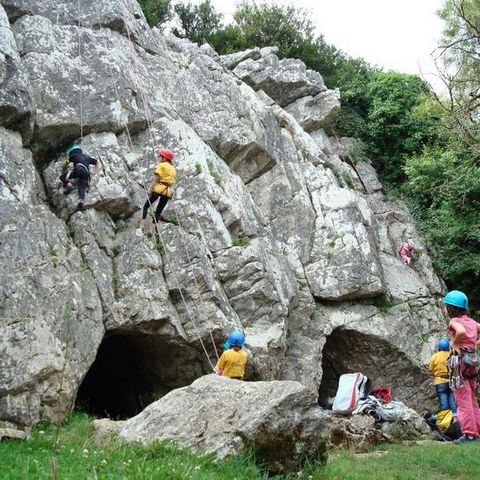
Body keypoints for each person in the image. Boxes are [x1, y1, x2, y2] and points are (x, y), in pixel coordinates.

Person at [444, 290, 480, 443]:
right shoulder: (473, 322)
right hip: (472, 361)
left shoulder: (454, 322)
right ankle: (476, 430)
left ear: (452, 308)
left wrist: (455, 342)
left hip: (461, 362)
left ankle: (469, 434)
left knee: (462, 399)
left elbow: (461, 331)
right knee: (471, 398)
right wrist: (476, 345)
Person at [140, 148, 176, 233]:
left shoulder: (161, 165)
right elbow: (172, 182)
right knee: (159, 211)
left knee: (146, 206)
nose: (159, 157)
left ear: (164, 158)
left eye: (160, 156)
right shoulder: (173, 169)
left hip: (159, 189)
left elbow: (156, 179)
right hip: (167, 192)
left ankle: (141, 225)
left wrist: (150, 188)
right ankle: (151, 230)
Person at [60, 144, 98, 210]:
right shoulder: (86, 157)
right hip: (86, 173)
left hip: (78, 169)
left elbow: (65, 163)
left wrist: (63, 166)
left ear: (72, 152)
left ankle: (69, 185)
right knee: (82, 186)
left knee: (62, 177)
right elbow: (97, 161)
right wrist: (94, 170)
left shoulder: (73, 156)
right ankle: (81, 199)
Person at [428, 338, 457, 414]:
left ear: (439, 347)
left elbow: (430, 370)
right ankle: (455, 419)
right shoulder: (451, 355)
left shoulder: (434, 356)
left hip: (440, 381)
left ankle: (445, 421)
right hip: (451, 380)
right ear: (448, 347)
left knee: (444, 403)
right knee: (453, 402)